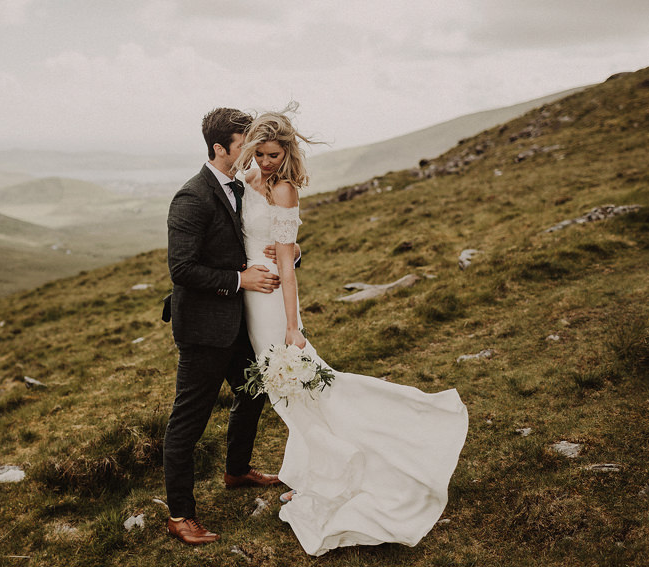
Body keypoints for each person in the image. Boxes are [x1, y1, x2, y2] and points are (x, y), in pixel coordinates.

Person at [234, 104, 469, 556]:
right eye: (260, 154)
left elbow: (286, 260)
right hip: (247, 291)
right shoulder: (246, 181)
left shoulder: (284, 192)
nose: (267, 162)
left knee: (295, 389)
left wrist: (291, 325)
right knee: (292, 395)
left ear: (288, 153)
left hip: (272, 301)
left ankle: (338, 471)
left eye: (274, 155)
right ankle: (310, 474)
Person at [163, 107, 284, 546]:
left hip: (239, 321)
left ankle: (236, 471)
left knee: (254, 392)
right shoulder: (191, 197)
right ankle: (180, 515)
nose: (251, 152)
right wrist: (239, 280)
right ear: (219, 148)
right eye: (242, 145)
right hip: (202, 328)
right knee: (187, 422)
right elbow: (182, 269)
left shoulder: (241, 186)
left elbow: (249, 243)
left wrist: (280, 257)